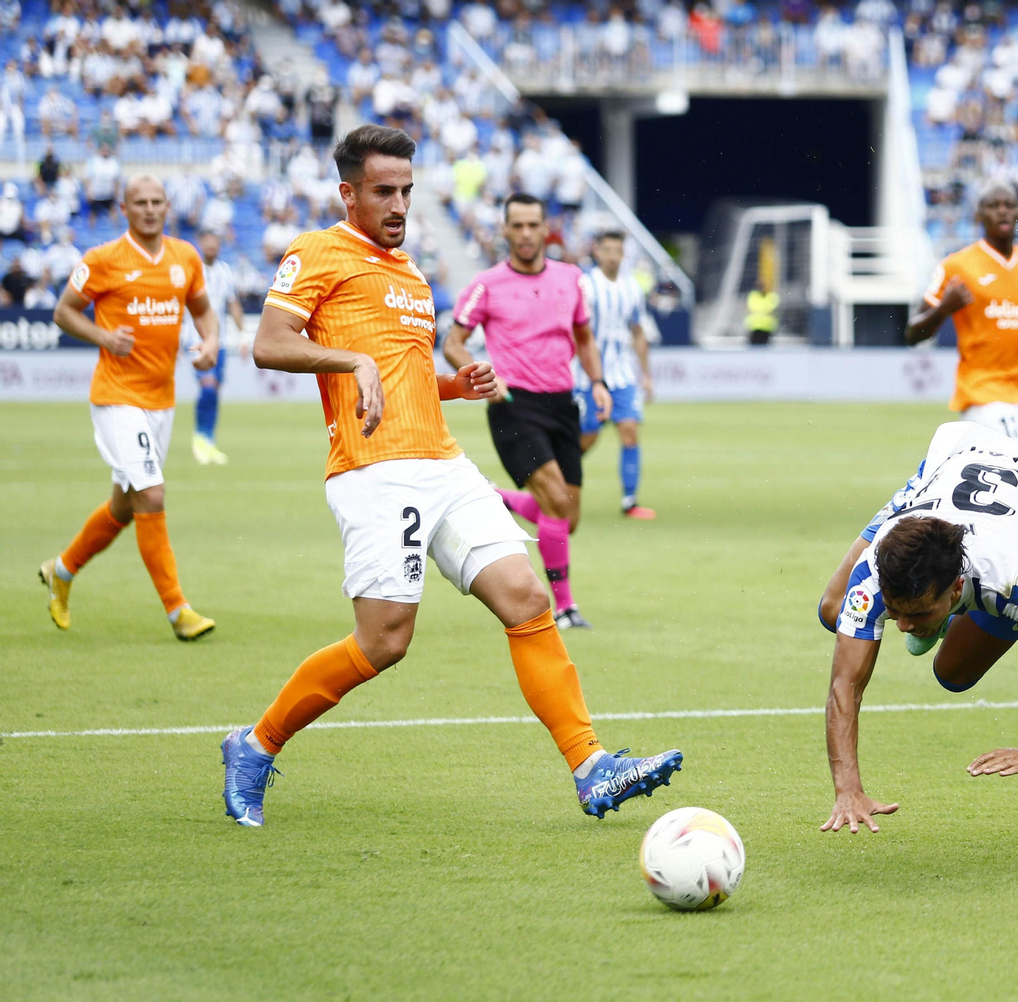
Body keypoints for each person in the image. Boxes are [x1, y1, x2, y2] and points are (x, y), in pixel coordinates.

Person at [229, 125, 680, 828]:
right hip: (375, 471)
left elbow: (400, 374)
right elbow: (269, 343)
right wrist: (354, 363)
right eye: (384, 191)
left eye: (407, 189)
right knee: (385, 641)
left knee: (528, 599)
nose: (399, 204)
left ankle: (592, 767)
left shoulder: (409, 273)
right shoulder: (318, 251)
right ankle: (254, 746)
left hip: (442, 463)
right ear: (348, 194)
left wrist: (450, 386)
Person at [815, 421, 1018, 834]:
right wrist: (848, 790)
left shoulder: (1012, 581)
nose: (902, 626)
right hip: (954, 457)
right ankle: (934, 619)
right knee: (834, 609)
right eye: (896, 611)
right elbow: (846, 686)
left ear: (956, 588)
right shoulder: (873, 574)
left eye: (917, 614)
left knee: (954, 674)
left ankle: (947, 623)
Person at [38, 175, 220, 641]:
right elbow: (64, 312)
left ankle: (62, 571)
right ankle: (179, 611)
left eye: (157, 201)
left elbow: (202, 309)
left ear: (168, 206)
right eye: (140, 202)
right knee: (153, 494)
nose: (149, 209)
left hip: (161, 400)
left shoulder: (185, 257)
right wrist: (103, 337)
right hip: (118, 398)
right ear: (124, 207)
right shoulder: (102, 260)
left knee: (125, 506)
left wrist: (211, 341)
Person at [444, 194, 610, 631]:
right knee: (555, 500)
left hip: (562, 404)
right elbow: (452, 343)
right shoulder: (486, 284)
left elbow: (585, 337)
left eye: (532, 225)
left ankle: (496, 499)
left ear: (545, 229)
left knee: (566, 518)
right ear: (505, 230)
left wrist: (597, 382)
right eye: (516, 225)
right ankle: (565, 607)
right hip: (513, 404)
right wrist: (484, 375)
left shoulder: (570, 279)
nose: (525, 234)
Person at [905, 180, 1018, 452]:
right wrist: (944, 308)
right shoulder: (956, 265)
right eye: (993, 206)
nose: (1002, 211)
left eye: (1009, 205)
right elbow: (913, 334)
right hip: (981, 394)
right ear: (978, 215)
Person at [576, 230, 656, 519]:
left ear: (623, 254)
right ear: (597, 252)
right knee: (588, 437)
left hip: (622, 373)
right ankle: (557, 477)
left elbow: (638, 332)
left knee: (630, 431)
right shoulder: (585, 285)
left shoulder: (633, 289)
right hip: (587, 375)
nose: (612, 256)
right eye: (607, 249)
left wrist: (645, 375)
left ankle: (630, 501)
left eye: (617, 250)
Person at [183, 231, 245, 464]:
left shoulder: (225, 271)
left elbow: (233, 304)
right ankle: (200, 439)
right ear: (200, 243)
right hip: (195, 340)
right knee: (208, 387)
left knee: (214, 391)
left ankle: (208, 441)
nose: (211, 247)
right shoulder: (193, 270)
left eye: (215, 243)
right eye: (207, 243)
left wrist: (242, 335)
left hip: (219, 341)